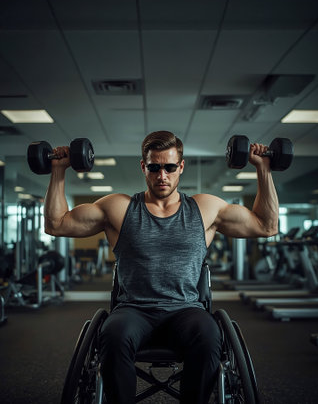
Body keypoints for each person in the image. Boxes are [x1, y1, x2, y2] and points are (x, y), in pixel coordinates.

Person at [44, 130, 279, 404]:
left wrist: (263, 169)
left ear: (181, 166)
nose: (162, 176)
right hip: (134, 310)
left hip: (186, 310)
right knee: (113, 334)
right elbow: (56, 224)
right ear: (144, 167)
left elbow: (267, 225)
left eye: (169, 167)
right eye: (154, 168)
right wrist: (58, 171)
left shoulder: (204, 209)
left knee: (209, 334)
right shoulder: (119, 208)